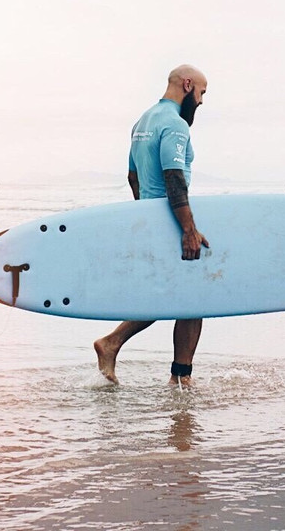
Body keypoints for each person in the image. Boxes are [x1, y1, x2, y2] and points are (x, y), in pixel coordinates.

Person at [93, 64, 209, 388]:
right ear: (187, 85)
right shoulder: (175, 125)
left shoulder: (142, 122)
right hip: (170, 219)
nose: (200, 101)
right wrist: (188, 230)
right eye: (201, 93)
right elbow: (174, 179)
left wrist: (143, 214)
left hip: (152, 217)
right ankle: (180, 378)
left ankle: (115, 345)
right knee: (195, 299)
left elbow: (133, 176)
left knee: (173, 295)